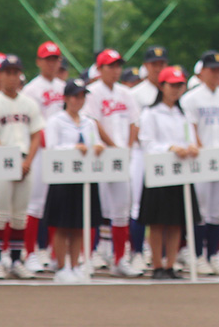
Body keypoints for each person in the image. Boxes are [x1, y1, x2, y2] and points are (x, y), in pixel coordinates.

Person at [179, 50, 219, 275]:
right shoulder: (191, 98)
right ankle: (197, 256)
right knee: (202, 211)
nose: (216, 74)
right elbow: (191, 128)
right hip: (202, 159)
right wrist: (205, 154)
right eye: (212, 70)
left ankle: (213, 254)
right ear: (203, 71)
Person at [137, 65, 199, 279]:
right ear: (162, 86)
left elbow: (190, 138)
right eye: (172, 85)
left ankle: (170, 265)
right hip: (160, 172)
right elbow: (146, 142)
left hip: (180, 173)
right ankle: (157, 265)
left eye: (180, 85)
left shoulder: (183, 114)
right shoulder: (150, 113)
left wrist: (191, 147)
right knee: (157, 222)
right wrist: (170, 148)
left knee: (175, 221)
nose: (176, 89)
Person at [0, 54, 44, 279]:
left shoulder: (28, 103)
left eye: (15, 72)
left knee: (20, 216)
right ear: (0, 75)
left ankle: (15, 260)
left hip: (25, 161)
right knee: (0, 215)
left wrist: (28, 161)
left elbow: (37, 134)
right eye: (7, 72)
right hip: (2, 160)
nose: (11, 77)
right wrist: (13, 162)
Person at [85, 48, 141, 276]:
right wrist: (115, 146)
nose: (116, 70)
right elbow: (93, 122)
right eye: (111, 66)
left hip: (120, 156)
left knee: (121, 210)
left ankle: (119, 259)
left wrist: (126, 148)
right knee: (92, 208)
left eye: (118, 65)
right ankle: (88, 257)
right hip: (99, 154)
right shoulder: (92, 91)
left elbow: (134, 122)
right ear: (100, 69)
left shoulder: (125, 93)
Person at [44, 79, 104, 283]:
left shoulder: (89, 121)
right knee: (62, 225)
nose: (79, 100)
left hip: (84, 178)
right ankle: (61, 266)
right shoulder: (56, 121)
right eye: (75, 96)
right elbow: (51, 148)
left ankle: (75, 264)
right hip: (63, 178)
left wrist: (97, 147)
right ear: (66, 98)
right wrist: (73, 149)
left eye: (82, 96)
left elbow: (96, 143)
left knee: (80, 224)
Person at [20, 40, 66, 272]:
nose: (52, 63)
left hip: (61, 154)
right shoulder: (31, 88)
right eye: (48, 59)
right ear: (39, 62)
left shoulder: (63, 86)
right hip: (39, 152)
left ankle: (53, 251)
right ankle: (30, 253)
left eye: (55, 59)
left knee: (56, 204)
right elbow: (35, 126)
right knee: (35, 206)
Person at [128, 45, 170, 273]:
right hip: (140, 153)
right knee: (138, 205)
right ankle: (136, 252)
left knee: (162, 206)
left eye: (162, 63)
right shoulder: (136, 93)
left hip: (162, 155)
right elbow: (132, 124)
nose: (158, 67)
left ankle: (160, 254)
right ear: (145, 66)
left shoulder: (168, 91)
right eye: (154, 64)